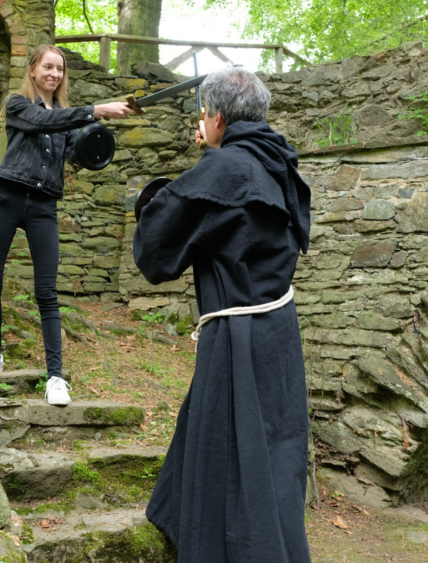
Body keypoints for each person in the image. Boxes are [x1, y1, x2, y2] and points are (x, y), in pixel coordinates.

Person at [134, 67, 313, 563]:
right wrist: (212, 153)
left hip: (237, 336)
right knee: (273, 458)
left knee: (237, 461)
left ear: (214, 116)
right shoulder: (279, 161)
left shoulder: (225, 169)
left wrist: (172, 183)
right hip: (277, 333)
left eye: (202, 114)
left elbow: (157, 252)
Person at [0, 45, 132, 407]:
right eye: (48, 67)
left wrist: (98, 134)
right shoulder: (17, 104)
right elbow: (43, 123)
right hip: (6, 197)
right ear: (33, 70)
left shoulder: (66, 118)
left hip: (43, 205)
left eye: (60, 69)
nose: (55, 74)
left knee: (47, 292)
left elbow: (78, 152)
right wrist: (95, 110)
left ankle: (55, 377)